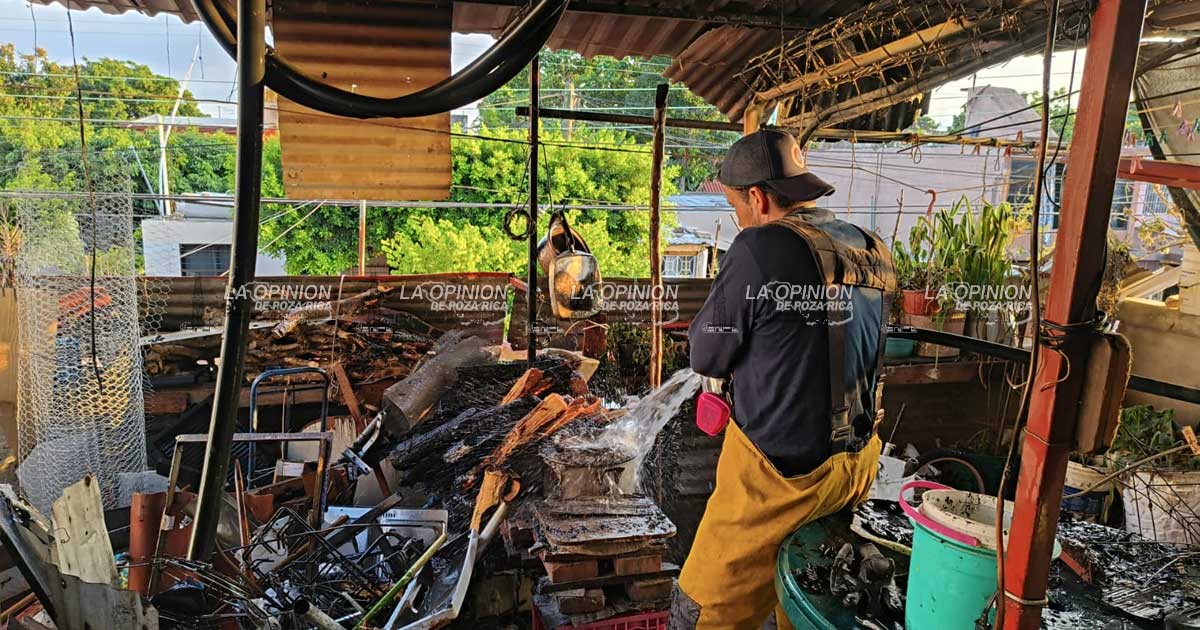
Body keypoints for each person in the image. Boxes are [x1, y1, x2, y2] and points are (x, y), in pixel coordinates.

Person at [670, 129, 896, 630]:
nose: (738, 220)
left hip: (778, 482)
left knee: (700, 613)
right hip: (855, 468)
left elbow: (707, 353)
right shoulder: (871, 248)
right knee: (801, 606)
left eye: (736, 207)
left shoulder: (761, 247)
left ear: (757, 197)